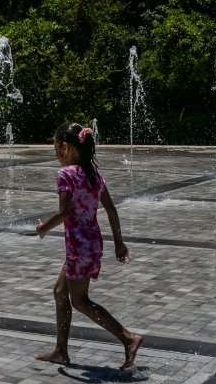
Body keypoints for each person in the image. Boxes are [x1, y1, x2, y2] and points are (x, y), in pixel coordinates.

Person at [35, 122, 143, 370]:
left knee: (80, 301)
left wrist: (43, 229)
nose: (56, 155)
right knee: (61, 291)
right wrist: (119, 243)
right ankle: (61, 351)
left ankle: (128, 338)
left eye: (56, 149)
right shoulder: (94, 174)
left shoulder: (66, 174)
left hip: (78, 246)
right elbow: (111, 209)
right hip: (93, 243)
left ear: (65, 147)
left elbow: (64, 212)